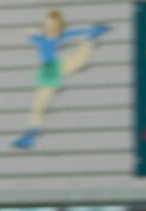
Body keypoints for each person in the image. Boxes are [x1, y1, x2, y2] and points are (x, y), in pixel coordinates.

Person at [13, 11, 110, 149]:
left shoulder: (61, 36)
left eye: (54, 25)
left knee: (77, 61)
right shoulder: (41, 38)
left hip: (57, 66)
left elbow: (77, 32)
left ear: (60, 26)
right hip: (48, 71)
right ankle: (31, 134)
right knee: (40, 103)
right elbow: (29, 33)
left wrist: (93, 30)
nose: (51, 27)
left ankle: (90, 40)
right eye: (49, 24)